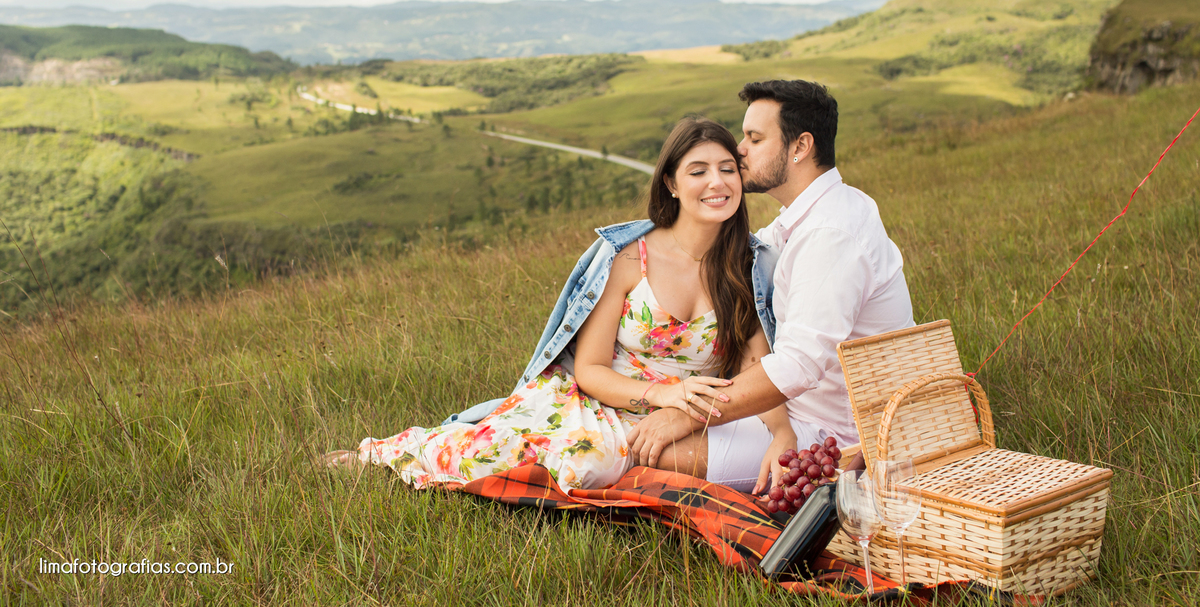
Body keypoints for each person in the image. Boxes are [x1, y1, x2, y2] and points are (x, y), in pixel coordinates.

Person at [325, 117, 791, 494]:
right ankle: (386, 453)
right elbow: (589, 369)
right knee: (505, 450)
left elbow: (759, 367)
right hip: (606, 400)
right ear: (671, 182)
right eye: (698, 171)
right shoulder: (630, 258)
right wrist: (660, 395)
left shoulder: (746, 267)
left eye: (728, 168)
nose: (717, 183)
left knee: (594, 466)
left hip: (688, 419)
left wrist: (783, 434)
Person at [626, 79, 915, 492]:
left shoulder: (831, 234)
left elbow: (797, 366)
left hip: (835, 436)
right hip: (788, 412)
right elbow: (746, 259)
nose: (739, 149)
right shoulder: (809, 215)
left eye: (754, 138)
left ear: (800, 147)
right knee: (634, 424)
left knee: (645, 450)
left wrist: (687, 414)